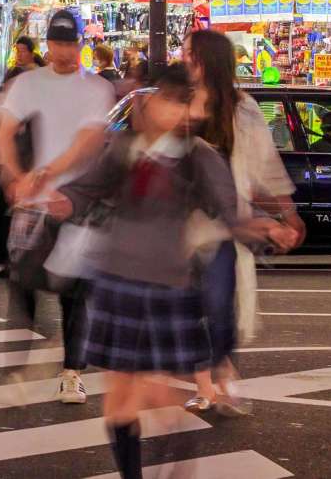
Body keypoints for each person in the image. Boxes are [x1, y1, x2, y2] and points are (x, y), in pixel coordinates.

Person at [42, 66, 283, 479]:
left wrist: (265, 229)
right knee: (119, 401)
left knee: (162, 402)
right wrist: (62, 200)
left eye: (186, 105)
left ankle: (173, 465)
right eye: (172, 101)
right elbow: (88, 187)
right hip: (116, 279)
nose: (180, 113)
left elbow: (229, 210)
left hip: (169, 282)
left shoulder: (198, 156)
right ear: (152, 102)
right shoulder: (123, 147)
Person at [0, 8, 115, 405]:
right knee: (22, 285)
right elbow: (4, 132)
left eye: (71, 43)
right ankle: (16, 370)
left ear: (81, 43)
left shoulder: (97, 88)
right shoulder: (28, 84)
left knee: (77, 292)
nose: (64, 51)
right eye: (58, 43)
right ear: (47, 44)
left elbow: (89, 141)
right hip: (34, 205)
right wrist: (15, 176)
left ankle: (72, 372)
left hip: (79, 203)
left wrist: (45, 173)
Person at [181, 28, 304, 414]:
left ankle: (222, 367)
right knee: (186, 307)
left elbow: (265, 166)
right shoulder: (176, 103)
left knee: (219, 305)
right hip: (178, 227)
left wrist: (287, 214)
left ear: (208, 60)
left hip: (224, 226)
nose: (184, 59)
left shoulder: (241, 106)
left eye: (190, 53)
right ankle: (205, 383)